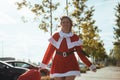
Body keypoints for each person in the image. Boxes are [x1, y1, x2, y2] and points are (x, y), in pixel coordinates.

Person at [39, 16, 96, 80]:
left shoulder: (75, 37)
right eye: (63, 22)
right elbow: (49, 52)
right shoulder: (56, 36)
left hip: (71, 63)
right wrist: (43, 65)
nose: (65, 24)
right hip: (58, 63)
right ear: (61, 24)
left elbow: (81, 54)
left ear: (71, 24)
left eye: (67, 22)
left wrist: (90, 65)